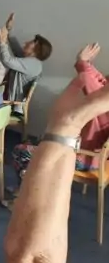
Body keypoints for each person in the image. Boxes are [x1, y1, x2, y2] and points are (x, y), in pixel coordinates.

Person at [5, 76, 109, 263]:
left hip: (88, 159)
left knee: (22, 151)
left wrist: (66, 126)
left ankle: (19, 190)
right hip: (90, 157)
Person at [12, 43, 109, 179]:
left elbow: (90, 80)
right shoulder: (104, 94)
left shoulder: (103, 99)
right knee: (36, 143)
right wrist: (84, 62)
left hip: (81, 156)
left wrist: (82, 62)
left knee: (21, 152)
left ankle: (27, 188)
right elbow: (101, 82)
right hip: (92, 158)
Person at [0, 13, 52, 112]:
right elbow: (16, 49)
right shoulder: (32, 62)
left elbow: (7, 60)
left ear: (36, 50)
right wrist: (8, 29)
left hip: (10, 103)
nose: (25, 43)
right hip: (6, 96)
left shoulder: (33, 65)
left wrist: (2, 42)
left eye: (30, 43)